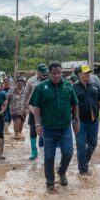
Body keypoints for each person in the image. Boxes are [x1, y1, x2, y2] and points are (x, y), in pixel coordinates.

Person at [30, 62, 80, 192]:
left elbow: (75, 105)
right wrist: (37, 124)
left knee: (68, 153)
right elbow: (36, 107)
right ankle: (50, 182)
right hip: (48, 128)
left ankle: (62, 172)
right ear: (49, 74)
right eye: (54, 73)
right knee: (49, 156)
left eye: (59, 73)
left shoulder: (68, 86)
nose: (57, 76)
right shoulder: (41, 87)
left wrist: (77, 121)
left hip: (65, 127)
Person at [73, 65, 100, 176]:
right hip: (80, 122)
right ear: (79, 75)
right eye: (85, 73)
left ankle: (84, 163)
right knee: (81, 145)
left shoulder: (95, 86)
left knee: (93, 144)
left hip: (94, 122)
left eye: (89, 72)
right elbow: (70, 105)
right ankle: (83, 169)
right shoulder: (73, 88)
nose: (88, 74)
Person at [22, 63, 49, 161]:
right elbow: (25, 95)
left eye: (45, 72)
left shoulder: (48, 80)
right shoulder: (31, 81)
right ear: (37, 72)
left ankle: (46, 151)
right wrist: (23, 108)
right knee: (33, 129)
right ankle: (34, 151)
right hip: (33, 109)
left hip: (46, 110)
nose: (43, 74)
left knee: (46, 130)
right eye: (42, 72)